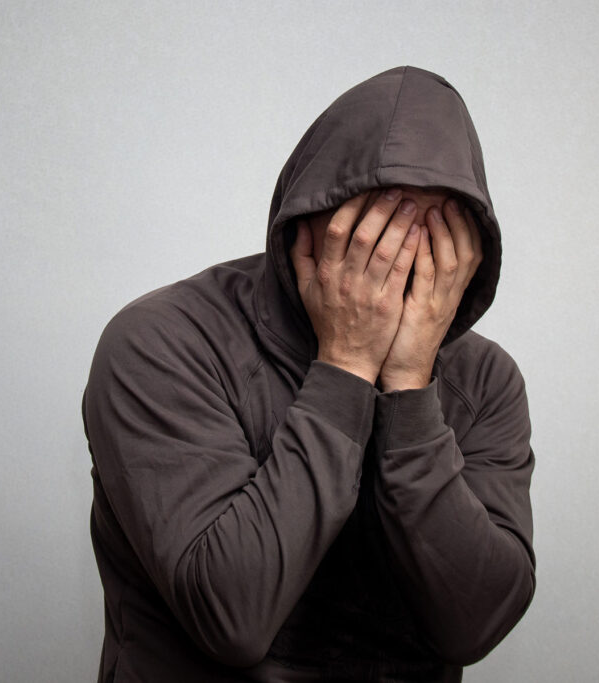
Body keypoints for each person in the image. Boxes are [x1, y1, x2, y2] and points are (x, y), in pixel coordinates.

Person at [82, 65, 536, 682]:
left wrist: (410, 387)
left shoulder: (486, 380)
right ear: (308, 218)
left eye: (432, 235)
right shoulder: (162, 341)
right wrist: (345, 365)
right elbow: (231, 617)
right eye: (378, 227)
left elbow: (474, 624)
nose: (399, 258)